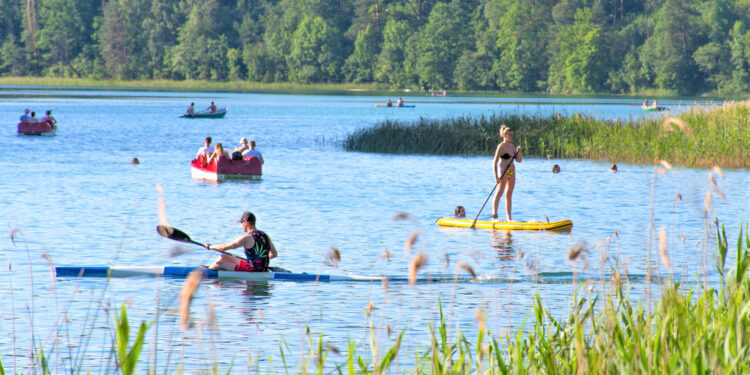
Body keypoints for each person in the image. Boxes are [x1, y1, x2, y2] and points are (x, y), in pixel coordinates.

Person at [204, 211, 278, 272]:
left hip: (252, 270)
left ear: (246, 222)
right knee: (224, 257)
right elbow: (274, 254)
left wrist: (210, 246)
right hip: (262, 268)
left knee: (218, 264)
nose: (241, 225)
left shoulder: (246, 238)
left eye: (241, 223)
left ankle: (206, 273)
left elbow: (224, 247)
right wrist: (258, 259)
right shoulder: (265, 235)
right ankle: (210, 268)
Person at [492, 125, 522, 222]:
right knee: (499, 192)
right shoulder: (501, 146)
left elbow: (519, 160)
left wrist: (519, 152)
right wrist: (496, 176)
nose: (511, 136)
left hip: (511, 171)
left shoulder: (512, 147)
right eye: (509, 135)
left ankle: (509, 218)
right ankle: (495, 216)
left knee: (509, 194)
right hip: (503, 170)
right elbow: (494, 163)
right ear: (504, 135)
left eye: (512, 135)